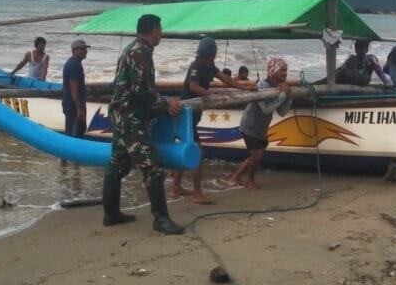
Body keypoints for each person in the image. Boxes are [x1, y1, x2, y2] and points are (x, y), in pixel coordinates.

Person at [102, 14, 184, 235]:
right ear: (153, 30)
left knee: (117, 164)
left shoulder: (133, 48)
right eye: (160, 29)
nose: (162, 33)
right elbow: (141, 89)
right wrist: (166, 104)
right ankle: (161, 219)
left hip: (121, 115)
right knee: (152, 165)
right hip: (130, 118)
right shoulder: (140, 52)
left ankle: (111, 214)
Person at [171, 37, 250, 204]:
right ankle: (197, 194)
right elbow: (193, 87)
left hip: (193, 115)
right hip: (186, 114)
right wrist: (214, 94)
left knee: (185, 147)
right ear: (212, 53)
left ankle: (177, 186)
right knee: (197, 152)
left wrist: (243, 87)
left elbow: (224, 78)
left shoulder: (209, 65)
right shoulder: (197, 65)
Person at [226, 57, 292, 190]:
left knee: (255, 156)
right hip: (250, 125)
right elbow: (266, 108)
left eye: (286, 70)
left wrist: (288, 98)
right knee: (257, 155)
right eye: (282, 70)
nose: (285, 73)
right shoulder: (263, 85)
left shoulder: (278, 87)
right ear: (273, 71)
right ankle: (249, 181)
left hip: (261, 128)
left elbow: (282, 112)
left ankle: (235, 177)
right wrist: (283, 95)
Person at [62, 38, 90, 138]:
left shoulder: (76, 63)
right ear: (74, 50)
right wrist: (79, 109)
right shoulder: (73, 64)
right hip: (73, 105)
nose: (85, 51)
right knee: (74, 133)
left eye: (85, 49)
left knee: (78, 131)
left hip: (73, 104)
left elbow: (77, 84)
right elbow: (73, 88)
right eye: (82, 49)